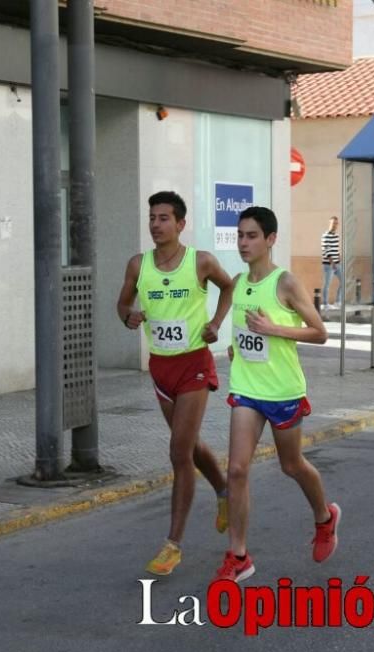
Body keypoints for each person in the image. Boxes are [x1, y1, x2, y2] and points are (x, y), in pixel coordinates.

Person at [214, 206, 340, 583]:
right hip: (247, 389)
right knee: (236, 470)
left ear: (271, 240)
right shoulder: (237, 283)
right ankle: (238, 555)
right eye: (240, 235)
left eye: (252, 236)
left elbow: (320, 333)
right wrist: (238, 348)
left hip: (283, 390)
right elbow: (243, 334)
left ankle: (324, 517)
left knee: (292, 465)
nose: (243, 243)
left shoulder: (284, 282)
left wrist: (275, 330)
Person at [116, 191, 233, 576]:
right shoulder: (138, 264)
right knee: (190, 444)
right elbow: (122, 305)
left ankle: (173, 544)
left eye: (164, 218)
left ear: (180, 224)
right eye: (152, 217)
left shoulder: (200, 262)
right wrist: (129, 317)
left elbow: (228, 286)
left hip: (194, 364)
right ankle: (223, 492)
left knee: (178, 451)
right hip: (161, 369)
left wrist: (215, 324)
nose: (155, 224)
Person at [320, 216, 342, 310]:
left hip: (337, 263)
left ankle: (337, 301)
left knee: (343, 281)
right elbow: (326, 249)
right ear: (330, 223)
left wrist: (339, 257)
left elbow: (336, 249)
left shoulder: (336, 236)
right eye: (333, 223)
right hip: (328, 264)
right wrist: (332, 262)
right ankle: (325, 304)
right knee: (327, 284)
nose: (335, 225)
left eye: (336, 223)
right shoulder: (325, 235)